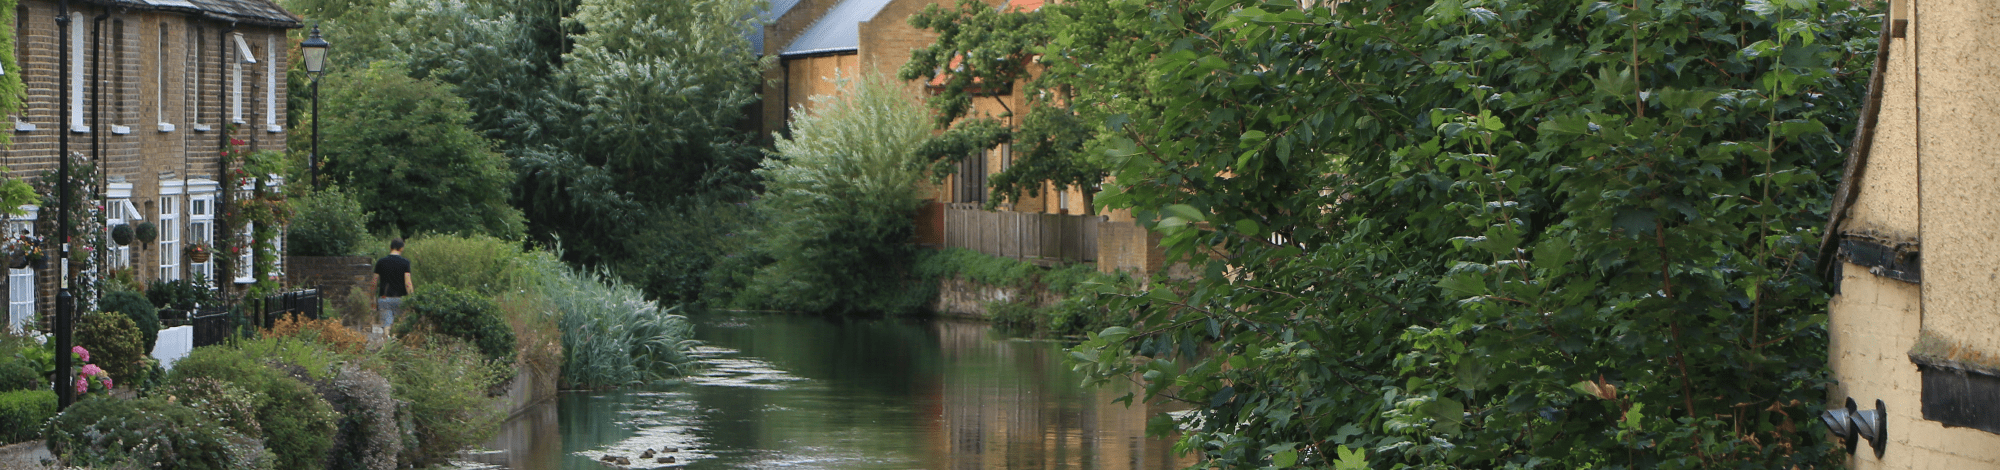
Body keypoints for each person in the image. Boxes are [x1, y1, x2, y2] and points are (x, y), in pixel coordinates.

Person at [372, 238, 413, 334]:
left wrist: (372, 297)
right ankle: (396, 346)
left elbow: (374, 282)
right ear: (401, 248)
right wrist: (412, 298)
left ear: (390, 248)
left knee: (387, 325)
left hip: (384, 298)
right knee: (399, 325)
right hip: (401, 299)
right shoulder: (405, 262)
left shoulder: (381, 262)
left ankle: (387, 345)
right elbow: (408, 283)